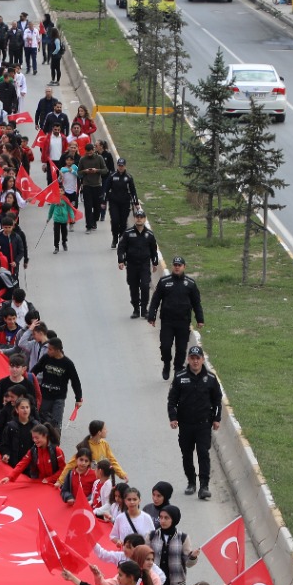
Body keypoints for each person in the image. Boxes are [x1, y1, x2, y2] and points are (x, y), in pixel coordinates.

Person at [167, 345, 223, 501]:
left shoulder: (211, 379)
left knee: (203, 454)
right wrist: (173, 418)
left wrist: (217, 419)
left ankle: (204, 486)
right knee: (187, 454)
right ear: (188, 359)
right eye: (192, 358)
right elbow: (172, 401)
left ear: (203, 360)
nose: (195, 361)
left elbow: (217, 401)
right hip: (185, 425)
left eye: (198, 358)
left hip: (204, 424)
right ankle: (191, 481)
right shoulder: (180, 377)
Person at [146, 257, 205, 382]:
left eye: (179, 265)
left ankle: (178, 370)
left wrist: (200, 319)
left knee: (181, 348)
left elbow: (196, 303)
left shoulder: (190, 284)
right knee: (166, 346)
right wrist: (152, 316)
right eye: (175, 265)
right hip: (167, 322)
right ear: (172, 266)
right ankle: (166, 364)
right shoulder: (164, 282)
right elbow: (156, 300)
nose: (177, 267)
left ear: (184, 267)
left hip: (183, 322)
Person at [116, 208, 160, 319]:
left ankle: (144, 309)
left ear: (144, 219)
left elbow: (153, 249)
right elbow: (121, 248)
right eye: (137, 217)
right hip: (132, 265)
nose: (139, 219)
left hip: (144, 265)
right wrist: (121, 260)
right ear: (135, 218)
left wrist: (155, 263)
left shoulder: (149, 235)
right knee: (133, 287)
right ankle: (136, 309)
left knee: (145, 286)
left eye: (141, 217)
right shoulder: (128, 233)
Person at [31, 337, 82, 431]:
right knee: (41, 421)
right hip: (44, 396)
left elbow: (75, 381)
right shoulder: (46, 358)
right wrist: (27, 382)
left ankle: (55, 444)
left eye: (50, 349)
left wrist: (78, 398)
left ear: (57, 350)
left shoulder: (67, 363)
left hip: (58, 398)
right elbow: (35, 371)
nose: (48, 351)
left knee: (56, 424)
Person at [105, 157, 138, 245]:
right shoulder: (112, 176)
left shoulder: (129, 177)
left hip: (125, 202)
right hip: (114, 202)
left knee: (123, 222)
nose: (120, 167)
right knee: (115, 221)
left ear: (125, 166)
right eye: (119, 165)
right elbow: (106, 189)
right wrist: (103, 201)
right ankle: (115, 237)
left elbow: (133, 191)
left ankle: (121, 237)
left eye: (122, 166)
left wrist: (136, 203)